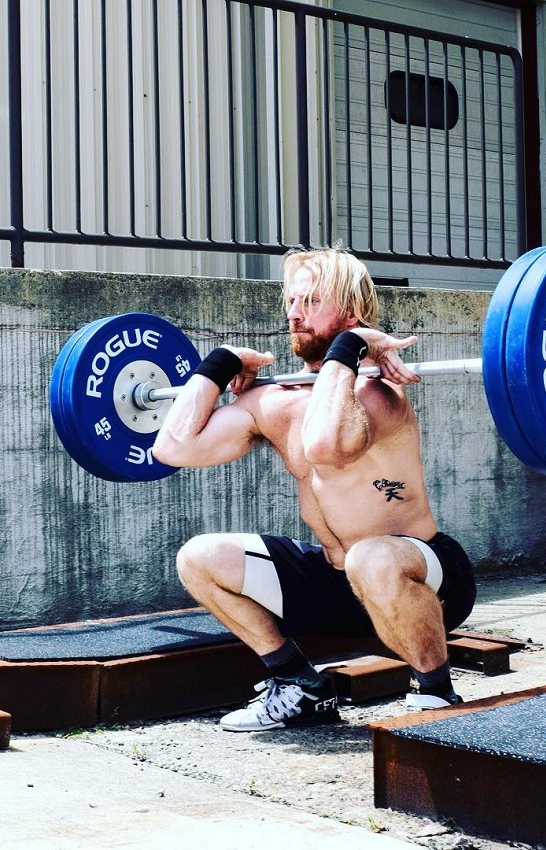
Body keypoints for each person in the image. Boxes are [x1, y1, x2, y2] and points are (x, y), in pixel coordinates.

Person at [153, 246, 476, 732]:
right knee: (198, 558)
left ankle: (435, 694)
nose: (295, 314)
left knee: (371, 557)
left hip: (424, 576)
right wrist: (217, 367)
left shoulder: (376, 393)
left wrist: (349, 350)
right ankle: (298, 685)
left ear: (351, 312)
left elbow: (326, 445)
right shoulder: (273, 400)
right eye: (291, 301)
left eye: (311, 301)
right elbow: (173, 448)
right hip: (334, 582)